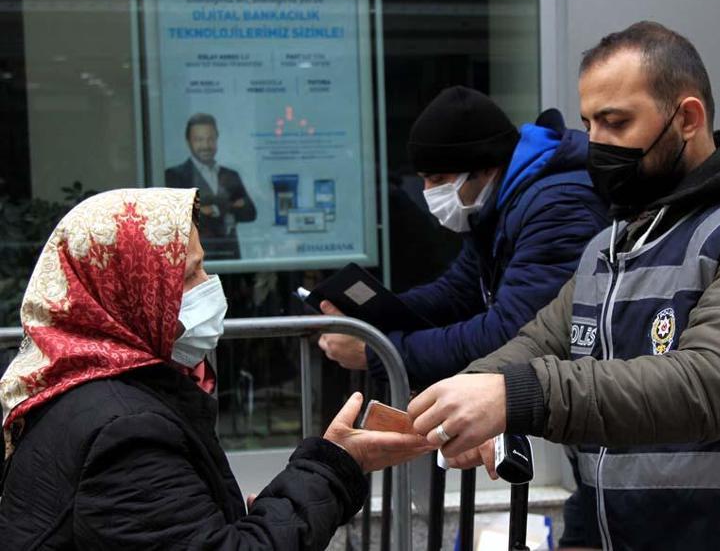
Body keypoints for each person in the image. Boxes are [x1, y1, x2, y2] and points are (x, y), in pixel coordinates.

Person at [406, 22, 720, 551]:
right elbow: (537, 343)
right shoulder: (610, 245)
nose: (596, 145)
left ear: (686, 118)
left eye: (616, 123)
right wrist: (462, 398)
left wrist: (512, 397)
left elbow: (710, 386)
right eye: (589, 123)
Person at [0, 188, 431, 550]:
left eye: (204, 266)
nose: (210, 286)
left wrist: (259, 509)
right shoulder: (125, 433)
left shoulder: (77, 387)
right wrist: (334, 466)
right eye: (188, 277)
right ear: (127, 294)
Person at [319, 86, 608, 387]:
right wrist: (373, 317)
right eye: (425, 180)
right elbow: (458, 291)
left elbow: (513, 333)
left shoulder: (558, 207)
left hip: (577, 393)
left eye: (439, 180)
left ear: (485, 168)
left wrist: (378, 352)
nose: (429, 194)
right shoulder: (497, 204)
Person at [166, 113, 256, 260]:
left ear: (217, 139)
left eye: (211, 139)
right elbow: (179, 217)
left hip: (230, 261)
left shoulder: (231, 175)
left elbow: (250, 212)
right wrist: (230, 208)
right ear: (188, 141)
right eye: (199, 140)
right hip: (196, 263)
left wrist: (211, 209)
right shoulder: (174, 176)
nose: (206, 145)